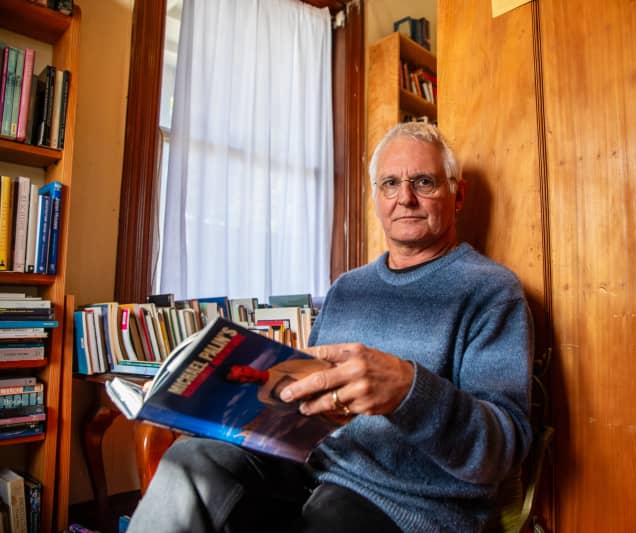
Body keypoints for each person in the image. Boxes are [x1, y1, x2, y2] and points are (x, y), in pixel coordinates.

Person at [126, 122, 534, 533]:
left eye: (423, 182)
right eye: (390, 183)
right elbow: (308, 402)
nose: (405, 198)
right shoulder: (348, 288)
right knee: (191, 462)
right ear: (376, 196)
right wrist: (211, 403)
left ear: (457, 194)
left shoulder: (491, 290)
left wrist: (410, 390)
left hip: (406, 506)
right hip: (308, 472)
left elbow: (503, 449)